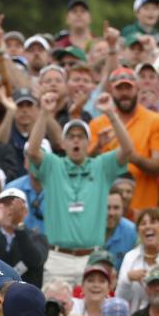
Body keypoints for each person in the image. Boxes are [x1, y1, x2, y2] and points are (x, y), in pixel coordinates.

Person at [29, 92, 132, 287]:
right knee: (55, 314)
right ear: (63, 143)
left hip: (92, 257)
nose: (76, 141)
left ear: (88, 142)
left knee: (93, 312)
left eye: (81, 137)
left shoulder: (101, 166)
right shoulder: (53, 166)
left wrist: (111, 114)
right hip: (59, 257)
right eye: (71, 137)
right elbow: (33, 151)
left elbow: (127, 150)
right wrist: (43, 113)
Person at [88, 67, 159, 211]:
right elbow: (85, 166)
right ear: (111, 91)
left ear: (137, 89)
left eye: (128, 88)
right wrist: (97, 148)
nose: (124, 93)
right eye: (119, 89)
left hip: (144, 210)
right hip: (107, 210)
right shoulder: (97, 124)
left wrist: (132, 157)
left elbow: (157, 167)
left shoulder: (156, 121)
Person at [0, 188, 49, 288]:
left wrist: (18, 227)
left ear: (25, 212)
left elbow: (35, 260)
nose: (9, 210)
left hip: (26, 297)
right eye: (5, 205)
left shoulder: (38, 237)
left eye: (14, 206)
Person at [103, 189, 135, 271]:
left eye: (116, 208)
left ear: (123, 210)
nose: (111, 213)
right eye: (107, 207)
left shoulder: (133, 232)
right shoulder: (87, 231)